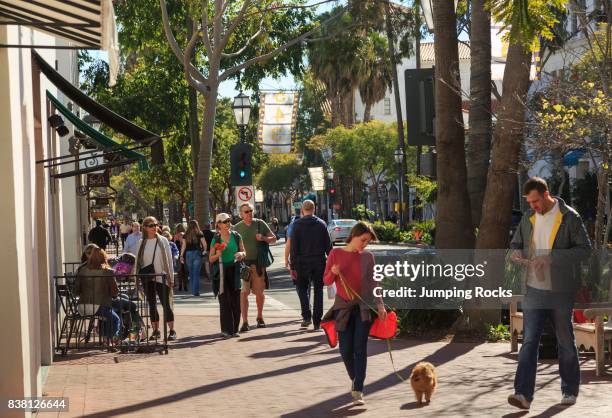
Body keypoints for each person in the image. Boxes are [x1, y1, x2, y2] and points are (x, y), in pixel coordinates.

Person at [507, 177, 591, 410]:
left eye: (535, 201)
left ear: (546, 195)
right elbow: (516, 243)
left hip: (561, 290)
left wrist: (551, 258)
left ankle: (569, 390)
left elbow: (585, 250)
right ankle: (523, 395)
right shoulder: (528, 217)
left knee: (565, 341)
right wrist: (514, 254)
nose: (532, 205)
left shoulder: (570, 216)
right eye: (529, 202)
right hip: (533, 289)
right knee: (529, 341)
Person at [322, 221, 386, 406]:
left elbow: (375, 283)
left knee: (360, 348)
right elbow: (326, 281)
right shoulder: (336, 253)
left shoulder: (368, 257)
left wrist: (380, 305)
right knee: (345, 350)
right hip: (343, 308)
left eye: (367, 242)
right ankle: (354, 377)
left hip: (363, 307)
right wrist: (333, 273)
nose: (364, 244)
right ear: (354, 235)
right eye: (363, 240)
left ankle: (358, 387)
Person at [233, 203, 277, 331]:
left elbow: (273, 238)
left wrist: (263, 238)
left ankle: (259, 317)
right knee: (243, 293)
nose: (250, 213)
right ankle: (245, 322)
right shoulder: (236, 228)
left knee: (259, 293)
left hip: (258, 264)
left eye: (251, 211)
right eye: (246, 212)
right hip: (243, 266)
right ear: (241, 214)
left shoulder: (260, 223)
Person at [133, 216, 177, 341]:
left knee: (166, 304)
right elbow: (138, 261)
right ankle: (156, 330)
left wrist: (171, 277)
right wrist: (136, 278)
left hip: (162, 276)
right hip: (147, 277)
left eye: (156, 225)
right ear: (145, 228)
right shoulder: (141, 242)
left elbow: (169, 259)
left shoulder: (163, 240)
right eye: (151, 225)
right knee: (151, 305)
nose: (154, 228)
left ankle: (172, 330)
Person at [290, 200, 332, 330]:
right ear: (314, 209)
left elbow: (293, 248)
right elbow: (328, 247)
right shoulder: (321, 224)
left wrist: (292, 266)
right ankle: (317, 321)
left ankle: (306, 316)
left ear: (302, 210)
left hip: (302, 262)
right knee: (318, 290)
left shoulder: (296, 225)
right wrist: (331, 262)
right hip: (319, 261)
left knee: (302, 289)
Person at [209, 213, 246, 338]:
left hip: (235, 270)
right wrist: (218, 254)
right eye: (225, 221)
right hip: (221, 272)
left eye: (229, 221)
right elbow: (210, 259)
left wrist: (241, 254)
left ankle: (235, 330)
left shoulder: (236, 236)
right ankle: (225, 330)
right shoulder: (216, 239)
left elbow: (244, 251)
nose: (228, 223)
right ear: (218, 224)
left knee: (236, 300)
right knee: (224, 301)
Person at [74, 247, 121, 344]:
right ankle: (109, 340)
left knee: (108, 314)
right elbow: (115, 292)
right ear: (104, 258)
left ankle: (105, 338)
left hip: (81, 307)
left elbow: (76, 290)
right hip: (98, 306)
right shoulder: (107, 271)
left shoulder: (82, 270)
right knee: (115, 319)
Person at [180, 220, 207, 296]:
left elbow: (184, 246)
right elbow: (204, 243)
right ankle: (196, 291)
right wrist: (204, 251)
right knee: (196, 273)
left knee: (191, 272)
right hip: (197, 253)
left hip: (188, 254)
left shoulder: (186, 234)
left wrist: (181, 255)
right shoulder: (199, 233)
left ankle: (193, 290)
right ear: (196, 225)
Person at [173, 223, 188, 291]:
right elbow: (184, 244)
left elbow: (174, 245)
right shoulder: (185, 235)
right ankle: (185, 286)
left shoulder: (175, 236)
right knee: (185, 270)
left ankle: (180, 285)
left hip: (178, 254)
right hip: (184, 253)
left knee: (179, 271)